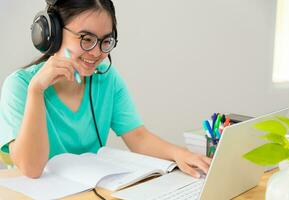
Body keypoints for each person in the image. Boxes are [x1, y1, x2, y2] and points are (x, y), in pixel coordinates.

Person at [0, 0, 211, 179]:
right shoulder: (20, 86)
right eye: (87, 39)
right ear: (51, 34)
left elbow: (137, 136)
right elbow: (31, 169)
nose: (97, 52)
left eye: (105, 41)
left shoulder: (105, 78)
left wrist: (180, 154)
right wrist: (36, 91)